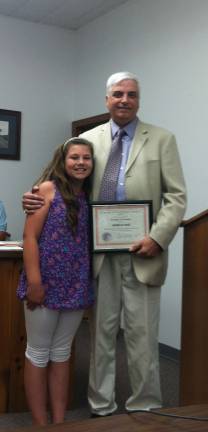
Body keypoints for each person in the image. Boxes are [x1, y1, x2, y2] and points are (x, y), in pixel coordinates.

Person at [22, 71, 186, 417]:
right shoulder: (89, 140)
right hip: (96, 256)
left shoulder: (162, 139)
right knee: (101, 335)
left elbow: (176, 196)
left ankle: (145, 406)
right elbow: (64, 176)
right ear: (106, 99)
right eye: (118, 94)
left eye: (131, 94)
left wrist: (158, 237)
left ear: (138, 99)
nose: (124, 100)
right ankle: (101, 405)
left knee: (142, 337)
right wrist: (34, 195)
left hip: (145, 251)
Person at [18, 137, 94, 425]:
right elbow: (29, 237)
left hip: (76, 286)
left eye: (86, 158)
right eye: (74, 157)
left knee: (62, 353)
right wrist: (35, 282)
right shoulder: (47, 190)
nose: (80, 163)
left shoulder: (88, 195)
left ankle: (60, 422)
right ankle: (41, 423)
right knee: (38, 353)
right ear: (63, 161)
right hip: (45, 285)